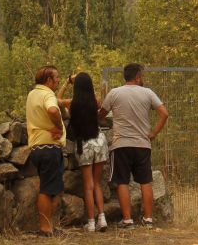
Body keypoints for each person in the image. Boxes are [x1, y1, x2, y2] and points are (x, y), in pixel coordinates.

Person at [98, 63, 168, 229]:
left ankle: (128, 220)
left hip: (121, 144)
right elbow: (164, 114)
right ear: (137, 77)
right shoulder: (148, 93)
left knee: (122, 181)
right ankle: (148, 219)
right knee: (145, 181)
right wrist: (153, 133)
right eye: (141, 76)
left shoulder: (114, 93)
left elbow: (101, 114)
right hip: (142, 144)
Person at [57, 72, 109, 233]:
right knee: (97, 183)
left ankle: (91, 222)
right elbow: (104, 98)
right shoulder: (96, 102)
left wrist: (67, 82)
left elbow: (56, 100)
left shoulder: (72, 103)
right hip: (99, 141)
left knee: (88, 186)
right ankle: (102, 218)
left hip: (84, 144)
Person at [26, 65, 66, 237]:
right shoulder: (47, 94)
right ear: (48, 80)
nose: (58, 80)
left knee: (50, 187)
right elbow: (52, 109)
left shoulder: (32, 94)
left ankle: (48, 226)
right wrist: (58, 126)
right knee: (48, 189)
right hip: (49, 147)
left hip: (37, 146)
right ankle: (46, 228)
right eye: (56, 77)